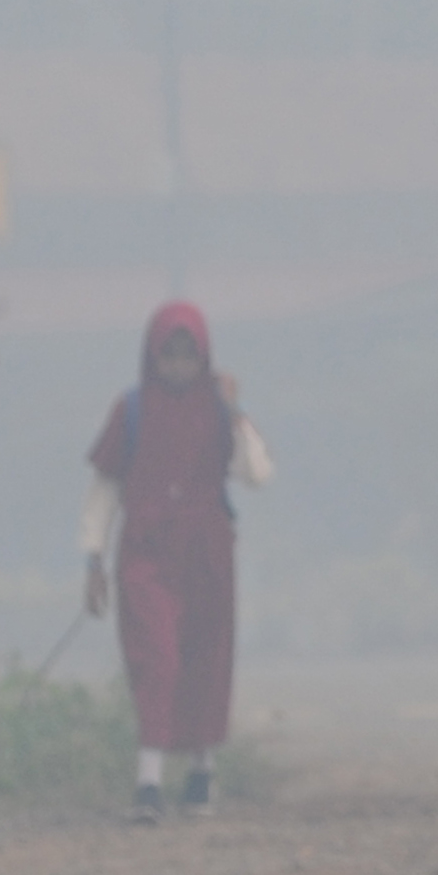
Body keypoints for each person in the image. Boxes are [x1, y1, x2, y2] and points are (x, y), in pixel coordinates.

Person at [82, 303, 272, 823]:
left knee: (205, 659)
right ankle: (148, 782)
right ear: (153, 355)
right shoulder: (131, 410)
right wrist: (93, 560)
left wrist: (235, 411)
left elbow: (256, 474)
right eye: (170, 354)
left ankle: (201, 770)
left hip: (207, 552)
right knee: (157, 657)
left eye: (190, 355)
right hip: (146, 553)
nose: (180, 365)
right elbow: (104, 489)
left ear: (204, 357)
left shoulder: (220, 410)